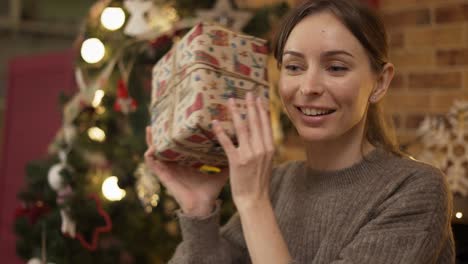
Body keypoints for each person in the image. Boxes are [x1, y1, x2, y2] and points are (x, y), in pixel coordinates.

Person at [144, 0, 456, 263]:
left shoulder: (414, 189)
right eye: (294, 67)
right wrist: (198, 210)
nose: (308, 88)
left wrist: (253, 202)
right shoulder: (279, 181)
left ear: (380, 82)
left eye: (336, 67)